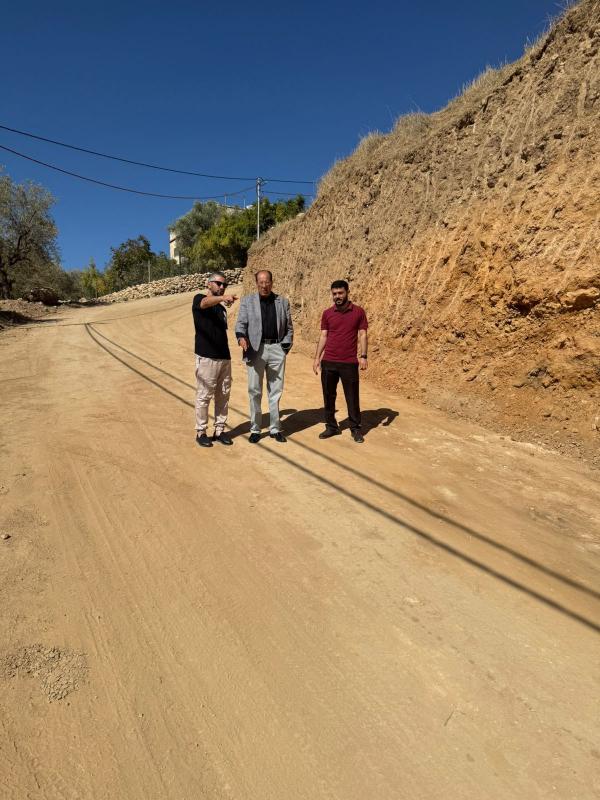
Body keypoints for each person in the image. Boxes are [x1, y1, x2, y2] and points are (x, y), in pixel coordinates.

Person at [235, 270, 293, 443]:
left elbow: (289, 327)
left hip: (276, 348)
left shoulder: (283, 302)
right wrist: (241, 337)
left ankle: (275, 428)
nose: (264, 285)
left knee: (275, 390)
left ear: (271, 282)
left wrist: (284, 347)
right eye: (260, 282)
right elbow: (241, 324)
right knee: (254, 391)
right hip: (255, 349)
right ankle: (255, 429)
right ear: (256, 283)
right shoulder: (247, 301)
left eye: (267, 282)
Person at [313, 280, 368, 443]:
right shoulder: (327, 313)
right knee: (328, 396)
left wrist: (363, 356)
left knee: (352, 397)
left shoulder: (358, 312)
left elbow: (363, 334)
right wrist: (317, 358)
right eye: (334, 294)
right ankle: (331, 426)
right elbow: (324, 336)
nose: (337, 296)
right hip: (329, 362)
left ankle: (355, 428)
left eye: (340, 293)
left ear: (347, 292)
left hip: (349, 363)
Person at [192, 272, 238, 448]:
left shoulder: (222, 310)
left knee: (223, 396)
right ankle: (201, 432)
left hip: (224, 357)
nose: (222, 287)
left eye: (224, 285)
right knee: (204, 396)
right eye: (219, 283)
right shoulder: (199, 299)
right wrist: (222, 298)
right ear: (208, 283)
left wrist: (222, 301)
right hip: (206, 357)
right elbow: (205, 303)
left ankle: (219, 430)